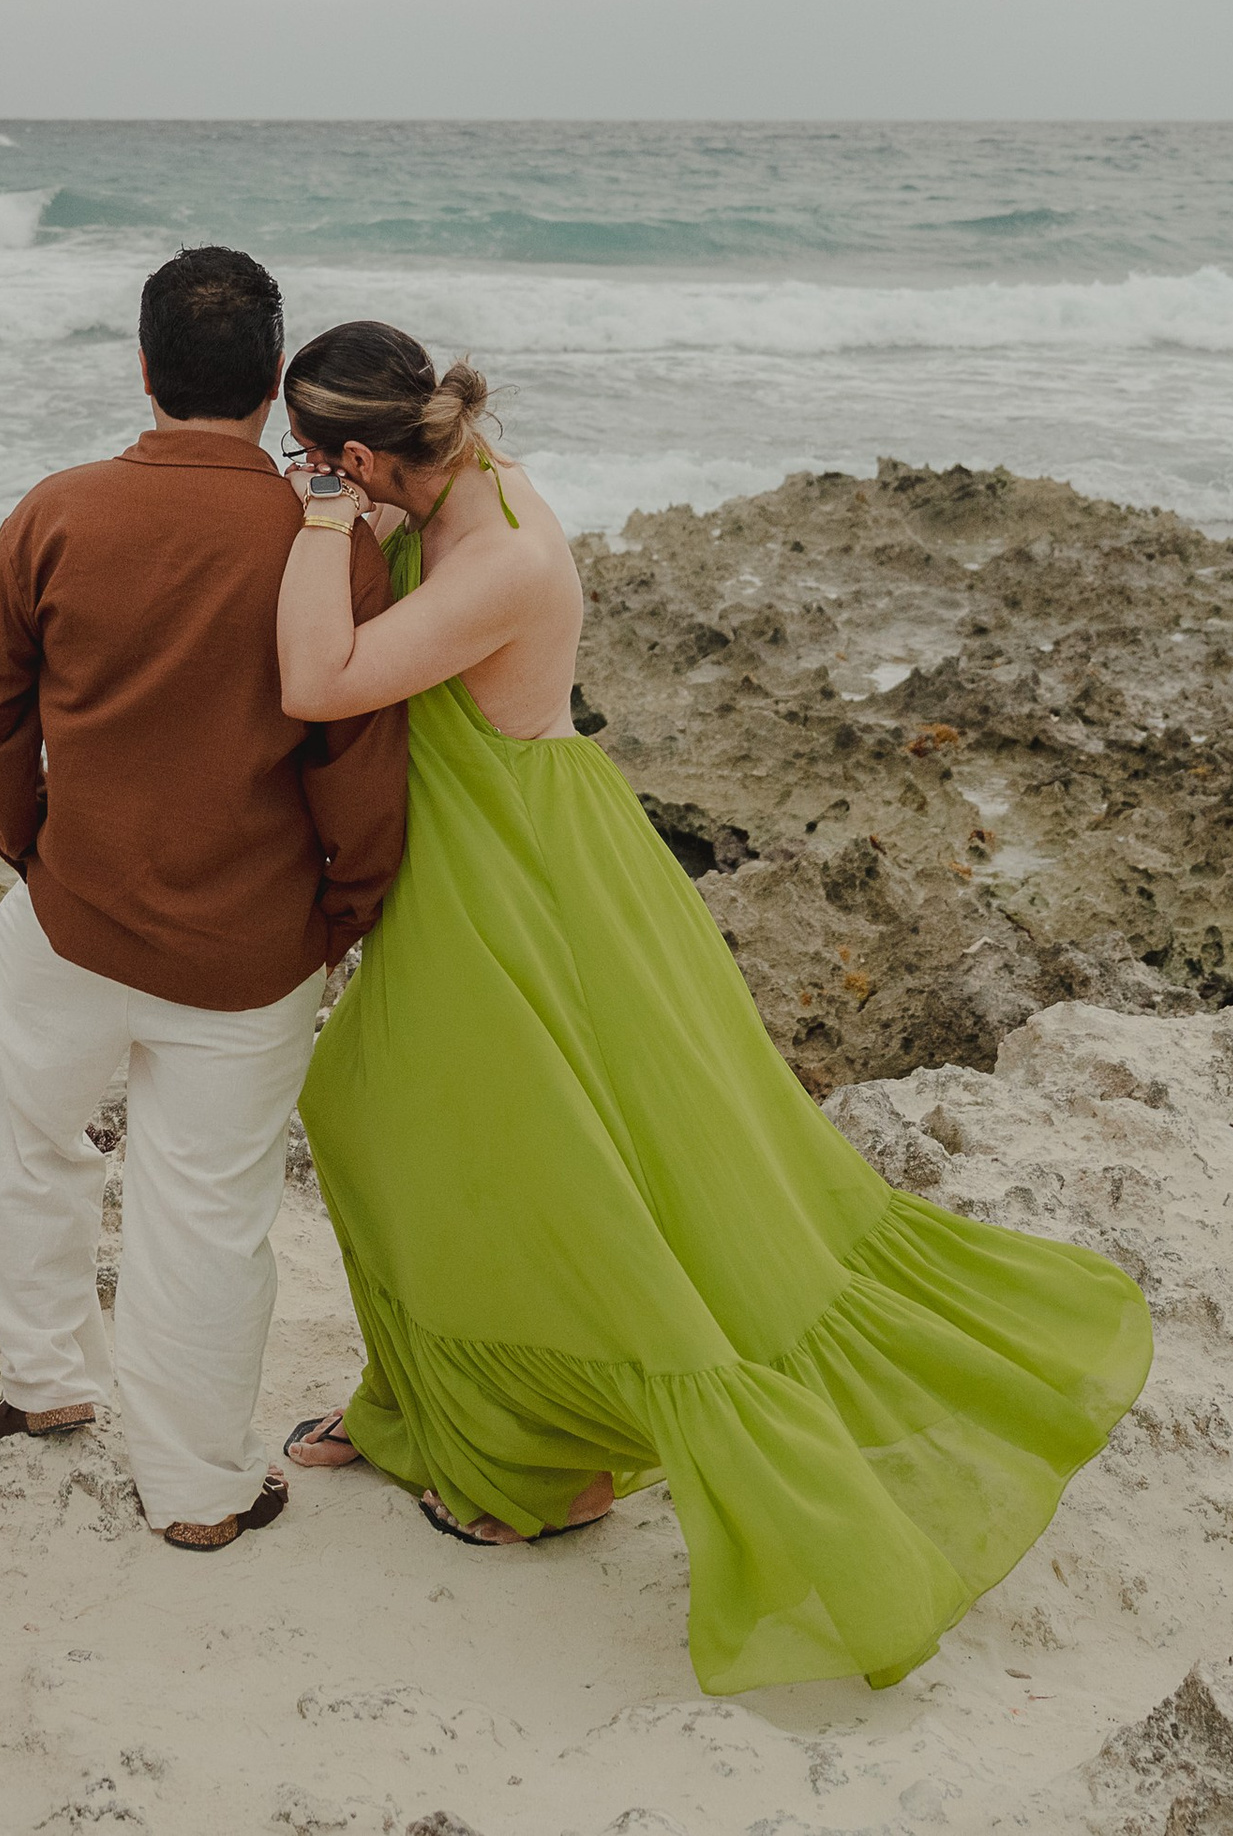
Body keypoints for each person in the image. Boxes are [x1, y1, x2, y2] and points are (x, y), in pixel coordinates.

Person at [271, 320, 1152, 1692]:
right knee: (394, 1124)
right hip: (473, 874)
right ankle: (446, 1417)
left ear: (365, 453)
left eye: (317, 459)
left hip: (530, 885)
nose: (312, 480)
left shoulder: (501, 548)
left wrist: (324, 520)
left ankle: (548, 1477)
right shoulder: (441, 496)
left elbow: (319, 681)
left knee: (556, 1177)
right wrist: (340, 508)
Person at [0, 249, 408, 1551]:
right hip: (250, 947)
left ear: (143, 370)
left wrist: (33, 842)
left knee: (37, 1149)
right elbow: (358, 773)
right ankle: (201, 1492)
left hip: (68, 919)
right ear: (274, 382)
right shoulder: (320, 541)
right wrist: (341, 917)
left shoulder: (56, 510)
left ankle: (45, 1387)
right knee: (205, 1214)